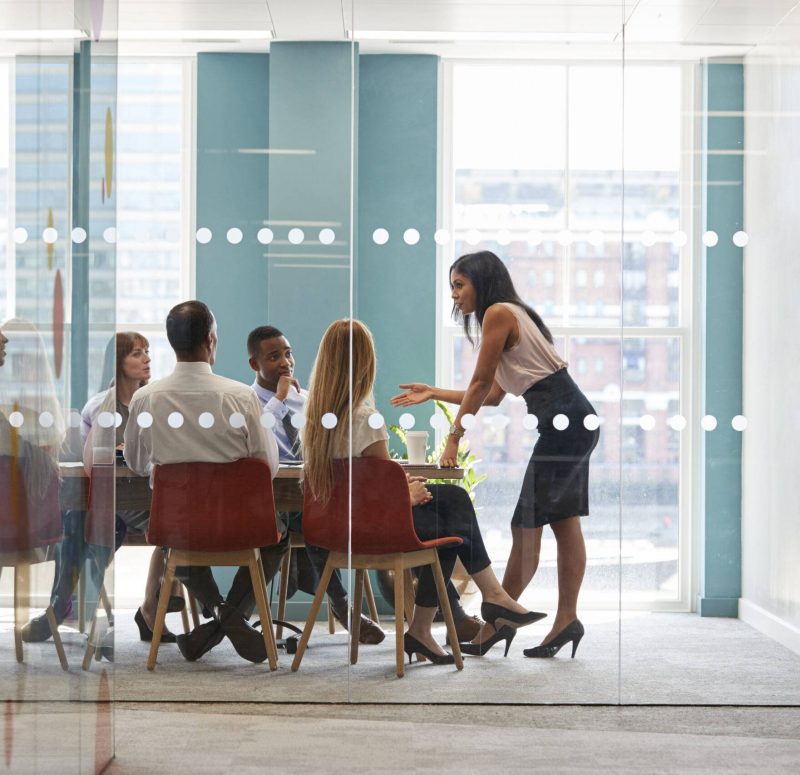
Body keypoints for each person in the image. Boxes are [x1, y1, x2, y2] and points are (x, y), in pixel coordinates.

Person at [392, 251, 599, 658]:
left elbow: (481, 380)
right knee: (562, 523)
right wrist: (434, 393)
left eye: (459, 285)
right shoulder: (512, 315)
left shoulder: (498, 313)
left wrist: (453, 439)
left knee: (526, 527)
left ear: (481, 282)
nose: (454, 296)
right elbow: (491, 395)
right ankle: (561, 620)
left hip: (563, 423)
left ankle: (498, 621)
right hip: (571, 420)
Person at [303, 319, 543, 665]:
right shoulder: (366, 419)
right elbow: (378, 494)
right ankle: (487, 598)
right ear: (367, 363)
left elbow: (356, 487)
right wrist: (406, 495)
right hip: (372, 530)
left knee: (449, 525)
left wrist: (402, 491)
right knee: (453, 505)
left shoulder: (314, 422)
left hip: (335, 529)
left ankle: (428, 629)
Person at [124, 301, 282, 664]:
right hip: (241, 524)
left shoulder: (145, 398)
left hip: (178, 526)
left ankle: (218, 618)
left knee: (175, 538)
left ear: (170, 343)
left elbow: (135, 462)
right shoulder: (241, 397)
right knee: (280, 534)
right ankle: (231, 618)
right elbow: (267, 468)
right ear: (211, 341)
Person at [21, 332, 182, 650]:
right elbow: (89, 462)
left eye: (147, 352)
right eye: (137, 353)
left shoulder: (156, 403)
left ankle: (69, 607)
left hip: (151, 500)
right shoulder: (100, 406)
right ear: (117, 363)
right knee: (80, 518)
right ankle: (64, 607)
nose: (147, 358)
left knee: (171, 527)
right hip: (109, 501)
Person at [247, 325, 385, 645]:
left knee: (317, 512)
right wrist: (279, 400)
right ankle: (342, 605)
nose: (285, 362)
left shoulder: (310, 402)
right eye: (273, 357)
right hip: (270, 501)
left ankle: (341, 604)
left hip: (312, 495)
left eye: (288, 353)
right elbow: (255, 441)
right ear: (255, 364)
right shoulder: (248, 402)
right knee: (312, 517)